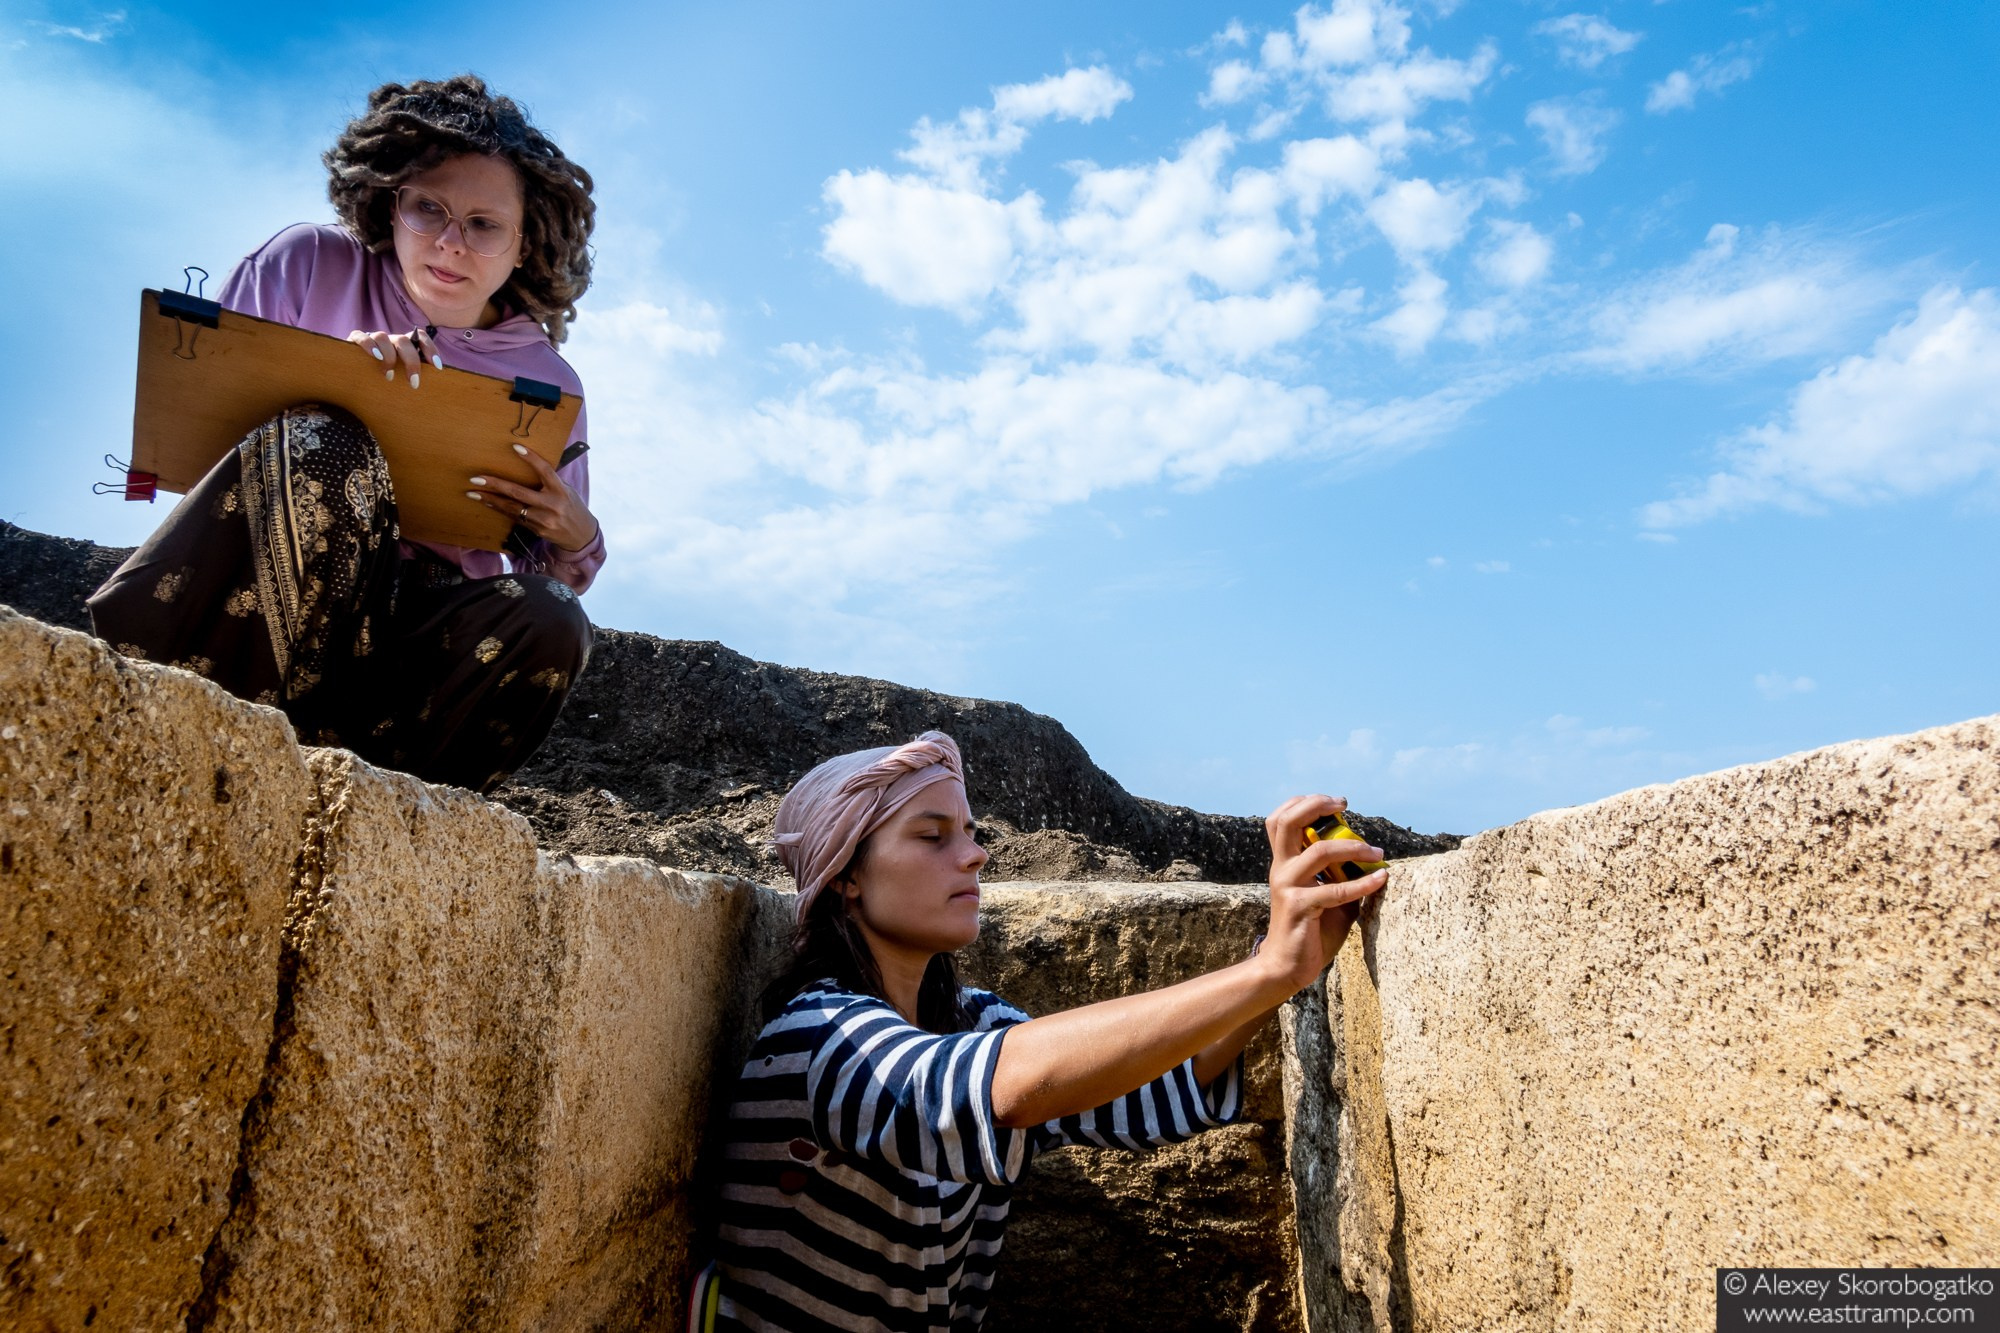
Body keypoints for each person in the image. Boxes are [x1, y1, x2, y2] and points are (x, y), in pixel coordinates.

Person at [699, 731, 1387, 1333]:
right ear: (846, 873)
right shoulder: (818, 1039)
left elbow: (1152, 1086)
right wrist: (1266, 971)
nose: (973, 855)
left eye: (970, 832)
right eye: (932, 835)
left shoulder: (972, 1021)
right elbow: (1009, 1087)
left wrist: (1292, 961)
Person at [89, 75, 603, 792]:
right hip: (254, 614)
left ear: (523, 246)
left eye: (484, 225)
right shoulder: (303, 264)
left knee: (555, 620)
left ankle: (404, 808)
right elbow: (207, 456)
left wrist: (576, 536)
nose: (452, 244)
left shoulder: (549, 382)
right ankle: (231, 730)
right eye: (430, 210)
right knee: (326, 443)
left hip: (399, 661)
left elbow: (548, 572)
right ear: (390, 205)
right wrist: (335, 385)